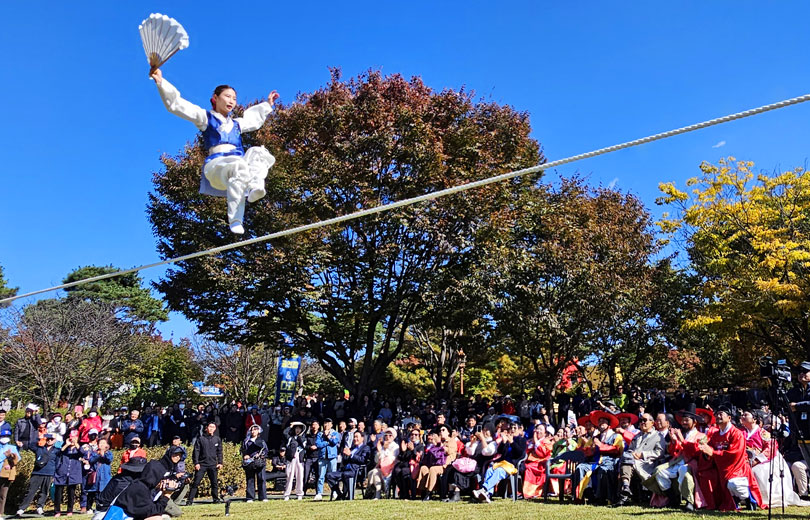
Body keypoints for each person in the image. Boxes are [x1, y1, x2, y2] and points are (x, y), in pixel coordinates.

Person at [151, 68, 279, 234]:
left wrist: (268, 104)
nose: (232, 101)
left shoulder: (237, 124)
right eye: (227, 96)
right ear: (215, 98)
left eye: (234, 98)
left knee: (259, 153)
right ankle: (235, 220)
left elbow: (253, 119)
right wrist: (161, 82)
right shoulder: (206, 118)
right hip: (216, 167)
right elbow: (178, 105)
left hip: (236, 170)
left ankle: (254, 188)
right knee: (238, 165)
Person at [699, 405, 764, 510]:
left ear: (729, 418)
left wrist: (712, 453)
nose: (718, 416)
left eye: (721, 414)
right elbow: (709, 449)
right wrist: (704, 451)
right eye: (717, 414)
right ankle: (712, 503)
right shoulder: (715, 435)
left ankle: (748, 498)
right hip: (720, 467)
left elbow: (734, 454)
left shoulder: (736, 434)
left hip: (737, 467)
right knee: (704, 475)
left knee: (733, 484)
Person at [616, 413, 666, 506]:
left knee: (626, 463)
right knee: (626, 460)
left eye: (644, 420)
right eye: (640, 421)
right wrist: (632, 453)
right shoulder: (638, 435)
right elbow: (631, 449)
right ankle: (625, 489)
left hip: (647, 464)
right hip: (633, 462)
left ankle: (624, 495)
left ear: (652, 422)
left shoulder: (658, 436)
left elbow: (659, 452)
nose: (642, 422)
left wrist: (642, 455)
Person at [16, 434, 58, 516]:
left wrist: (55, 475)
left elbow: (58, 463)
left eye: (51, 439)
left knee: (44, 491)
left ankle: (40, 507)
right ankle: (22, 508)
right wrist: (39, 438)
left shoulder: (56, 451)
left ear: (55, 440)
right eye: (48, 439)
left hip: (49, 473)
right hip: (37, 472)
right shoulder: (39, 448)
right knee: (31, 491)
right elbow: (30, 445)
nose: (49, 440)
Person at [326, 430, 370, 500]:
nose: (355, 439)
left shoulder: (365, 448)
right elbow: (346, 460)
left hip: (355, 471)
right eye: (354, 437)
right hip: (345, 469)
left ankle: (347, 495)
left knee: (345, 475)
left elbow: (363, 460)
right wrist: (345, 455)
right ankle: (340, 494)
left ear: (362, 438)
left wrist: (351, 455)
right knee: (329, 475)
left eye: (357, 437)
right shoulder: (352, 448)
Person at [185, 422, 223, 506]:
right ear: (206, 428)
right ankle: (190, 500)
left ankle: (216, 499)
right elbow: (196, 452)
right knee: (196, 483)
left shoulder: (217, 439)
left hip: (213, 464)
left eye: (213, 427)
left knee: (214, 483)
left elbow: (219, 452)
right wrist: (196, 463)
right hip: (202, 465)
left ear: (215, 429)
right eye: (210, 427)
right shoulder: (201, 439)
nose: (211, 428)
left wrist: (220, 462)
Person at [53, 430, 83, 517]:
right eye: (71, 438)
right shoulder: (63, 448)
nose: (72, 440)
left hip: (73, 474)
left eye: (74, 438)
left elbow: (83, 453)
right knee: (58, 493)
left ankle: (69, 510)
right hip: (61, 473)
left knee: (71, 493)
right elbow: (57, 453)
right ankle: (57, 511)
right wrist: (66, 445)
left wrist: (76, 444)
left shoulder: (79, 449)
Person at [365, 428, 400, 499]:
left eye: (390, 435)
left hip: (391, 469)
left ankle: (378, 492)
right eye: (386, 435)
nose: (388, 437)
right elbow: (376, 460)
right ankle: (377, 494)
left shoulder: (396, 447)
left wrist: (386, 450)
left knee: (375, 472)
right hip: (382, 468)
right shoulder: (382, 445)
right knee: (374, 472)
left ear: (393, 437)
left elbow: (392, 459)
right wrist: (380, 451)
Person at [522, 424, 553, 499]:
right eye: (537, 429)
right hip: (530, 462)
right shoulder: (530, 441)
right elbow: (525, 452)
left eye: (541, 429)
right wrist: (532, 443)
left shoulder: (547, 442)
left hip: (540, 463)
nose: (538, 431)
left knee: (529, 468)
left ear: (545, 433)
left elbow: (542, 453)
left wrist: (536, 441)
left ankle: (530, 492)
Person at [314, 418, 340, 501]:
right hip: (322, 457)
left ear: (332, 425)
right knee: (321, 476)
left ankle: (335, 492)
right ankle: (319, 493)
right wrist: (327, 442)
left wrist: (328, 437)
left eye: (329, 423)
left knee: (333, 476)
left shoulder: (335, 433)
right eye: (325, 423)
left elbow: (335, 442)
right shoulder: (320, 434)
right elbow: (318, 444)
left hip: (332, 457)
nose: (327, 425)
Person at [84, 438, 113, 514]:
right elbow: (91, 460)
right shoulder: (94, 453)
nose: (102, 445)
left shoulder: (109, 453)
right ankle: (89, 508)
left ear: (108, 445)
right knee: (92, 493)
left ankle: (100, 508)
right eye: (101, 443)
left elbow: (109, 459)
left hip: (105, 477)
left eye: (104, 443)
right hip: (95, 477)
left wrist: (103, 454)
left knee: (103, 493)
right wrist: (99, 454)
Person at [241, 425, 268, 502]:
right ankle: (250, 497)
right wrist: (245, 455)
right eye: (252, 430)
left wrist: (261, 455)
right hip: (250, 462)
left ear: (258, 431)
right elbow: (243, 450)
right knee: (250, 479)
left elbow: (265, 450)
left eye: (255, 430)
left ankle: (263, 497)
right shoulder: (246, 441)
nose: (253, 431)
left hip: (260, 462)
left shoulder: (262, 441)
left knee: (261, 479)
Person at [282, 422, 306, 501]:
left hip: (300, 459)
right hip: (291, 459)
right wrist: (290, 426)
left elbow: (304, 445)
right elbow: (285, 433)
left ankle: (299, 493)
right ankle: (287, 494)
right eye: (296, 428)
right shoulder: (290, 438)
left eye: (299, 428)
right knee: (289, 476)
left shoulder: (304, 438)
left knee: (300, 476)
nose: (298, 430)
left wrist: (299, 438)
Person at [0, 425, 20, 518]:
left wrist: (10, 458)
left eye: (7, 437)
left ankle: (0, 512)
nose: (5, 439)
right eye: (3, 437)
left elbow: (17, 460)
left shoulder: (12, 447)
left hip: (5, 474)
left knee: (3, 495)